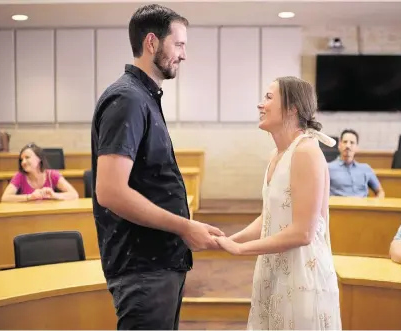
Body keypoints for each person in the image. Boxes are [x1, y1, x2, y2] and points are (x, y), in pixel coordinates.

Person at [90, 4, 223, 330]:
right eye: (178, 44)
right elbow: (109, 191)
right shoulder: (129, 99)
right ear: (152, 42)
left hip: (156, 263)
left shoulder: (143, 97)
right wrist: (183, 226)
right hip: (142, 266)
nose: (184, 55)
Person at [215, 77, 342, 330]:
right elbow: (269, 217)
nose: (260, 105)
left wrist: (240, 250)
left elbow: (303, 232)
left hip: (302, 273)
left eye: (269, 98)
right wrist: (229, 239)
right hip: (274, 267)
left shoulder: (307, 152)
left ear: (293, 108)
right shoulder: (276, 154)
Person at [1, 143, 79, 202]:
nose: (23, 162)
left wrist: (54, 195)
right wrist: (30, 197)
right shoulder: (20, 176)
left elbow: (74, 195)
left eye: (27, 157)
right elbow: (5, 198)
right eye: (21, 159)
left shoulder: (52, 175)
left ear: (39, 159)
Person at [328, 129, 384, 198]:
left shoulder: (365, 168)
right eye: (345, 142)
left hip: (363, 207)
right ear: (339, 145)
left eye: (352, 143)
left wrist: (374, 205)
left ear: (357, 147)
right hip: (339, 207)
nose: (348, 146)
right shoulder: (328, 168)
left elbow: (380, 192)